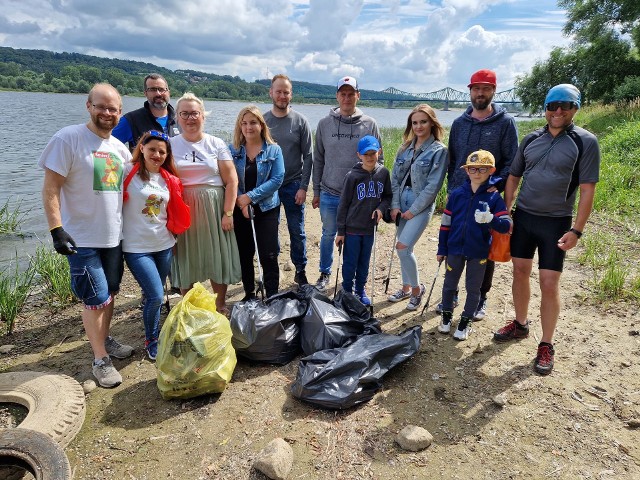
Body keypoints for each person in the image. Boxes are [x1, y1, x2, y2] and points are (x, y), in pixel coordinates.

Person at [495, 84, 600, 375]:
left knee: (549, 284)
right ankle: (520, 323)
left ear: (575, 108)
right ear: (545, 108)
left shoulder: (585, 142)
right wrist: (506, 212)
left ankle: (546, 343)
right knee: (519, 272)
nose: (557, 111)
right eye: (552, 106)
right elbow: (513, 178)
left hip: (556, 221)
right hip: (524, 217)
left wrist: (577, 230)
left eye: (565, 106)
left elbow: (588, 190)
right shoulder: (531, 139)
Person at [39, 83, 134, 388]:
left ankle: (105, 340)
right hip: (81, 238)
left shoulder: (120, 149)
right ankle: (99, 359)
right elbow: (51, 187)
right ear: (88, 106)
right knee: (94, 298)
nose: (107, 113)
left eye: (113, 108)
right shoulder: (68, 138)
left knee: (110, 294)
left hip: (113, 236)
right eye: (101, 107)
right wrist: (56, 229)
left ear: (120, 112)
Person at [438, 69, 518, 319]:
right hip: (461, 194)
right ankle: (452, 295)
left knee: (484, 248)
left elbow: (512, 161)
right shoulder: (460, 123)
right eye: (476, 88)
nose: (480, 93)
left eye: (486, 88)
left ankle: (480, 297)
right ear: (470, 91)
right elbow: (453, 160)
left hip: (487, 196)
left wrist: (499, 182)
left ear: (494, 91)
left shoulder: (505, 123)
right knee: (455, 243)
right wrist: (453, 189)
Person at [169, 93, 241, 315]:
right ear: (178, 118)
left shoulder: (215, 143)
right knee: (185, 256)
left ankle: (219, 304)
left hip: (214, 207)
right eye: (185, 114)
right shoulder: (169, 144)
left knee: (216, 255)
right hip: (182, 208)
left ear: (203, 116)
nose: (190, 118)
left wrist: (228, 212)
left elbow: (231, 180)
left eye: (195, 113)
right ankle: (190, 307)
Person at [312, 76, 383, 291]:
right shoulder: (324, 124)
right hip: (330, 192)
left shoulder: (370, 124)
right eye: (342, 93)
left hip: (359, 197)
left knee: (354, 238)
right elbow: (319, 159)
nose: (346, 97)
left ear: (358, 96)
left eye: (351, 93)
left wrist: (374, 194)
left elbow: (379, 161)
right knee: (328, 233)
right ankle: (325, 272)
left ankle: (349, 280)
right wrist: (315, 191)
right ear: (337, 96)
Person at [436, 150, 512, 341]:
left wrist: (491, 219)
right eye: (473, 169)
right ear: (467, 171)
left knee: (473, 288)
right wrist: (442, 248)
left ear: (491, 171)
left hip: (478, 251)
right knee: (449, 285)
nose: (477, 172)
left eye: (482, 169)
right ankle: (446, 317)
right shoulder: (456, 194)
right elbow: (445, 223)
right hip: (454, 249)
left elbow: (506, 225)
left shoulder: (494, 198)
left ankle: (466, 320)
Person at [122, 130, 182, 360]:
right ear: (142, 149)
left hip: (164, 245)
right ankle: (152, 339)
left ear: (167, 155)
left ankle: (154, 326)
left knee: (155, 295)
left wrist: (176, 237)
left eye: (162, 151)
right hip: (136, 248)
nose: (157, 154)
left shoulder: (168, 178)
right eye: (152, 149)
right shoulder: (128, 172)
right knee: (156, 295)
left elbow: (172, 212)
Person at [386, 104, 449, 311]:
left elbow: (433, 186)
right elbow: (394, 178)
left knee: (402, 247)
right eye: (415, 122)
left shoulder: (439, 151)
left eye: (423, 121)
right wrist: (394, 205)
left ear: (432, 122)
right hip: (400, 200)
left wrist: (413, 210)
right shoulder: (404, 147)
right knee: (405, 249)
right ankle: (405, 287)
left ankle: (417, 289)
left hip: (419, 204)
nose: (419, 126)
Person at [230, 105, 285, 300]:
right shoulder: (233, 150)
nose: (248, 127)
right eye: (244, 123)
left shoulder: (274, 150)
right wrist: (241, 202)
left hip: (267, 208)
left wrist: (250, 197)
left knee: (268, 254)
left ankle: (272, 295)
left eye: (253, 122)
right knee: (245, 254)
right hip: (240, 209)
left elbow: (277, 179)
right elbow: (229, 179)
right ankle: (249, 293)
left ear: (261, 125)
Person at [264, 74, 313, 286]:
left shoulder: (300, 121)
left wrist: (304, 187)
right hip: (269, 186)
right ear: (271, 93)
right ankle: (272, 271)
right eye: (278, 91)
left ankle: (300, 270)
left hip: (293, 184)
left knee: (297, 231)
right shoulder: (263, 121)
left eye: (286, 92)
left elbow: (309, 156)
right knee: (270, 231)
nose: (282, 96)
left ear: (291, 94)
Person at [335, 136, 392, 305]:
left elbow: (388, 197)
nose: (369, 157)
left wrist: (381, 209)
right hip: (352, 228)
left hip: (370, 228)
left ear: (379, 152)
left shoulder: (384, 173)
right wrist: (341, 231)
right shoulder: (352, 176)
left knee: (364, 262)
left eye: (373, 153)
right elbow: (343, 204)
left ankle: (360, 290)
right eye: (365, 154)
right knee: (350, 263)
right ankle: (346, 291)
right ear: (359, 155)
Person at [113, 73, 180, 150]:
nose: (158, 93)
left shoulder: (181, 119)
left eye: (161, 89)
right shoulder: (131, 120)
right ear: (145, 93)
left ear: (168, 92)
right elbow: (108, 146)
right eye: (153, 89)